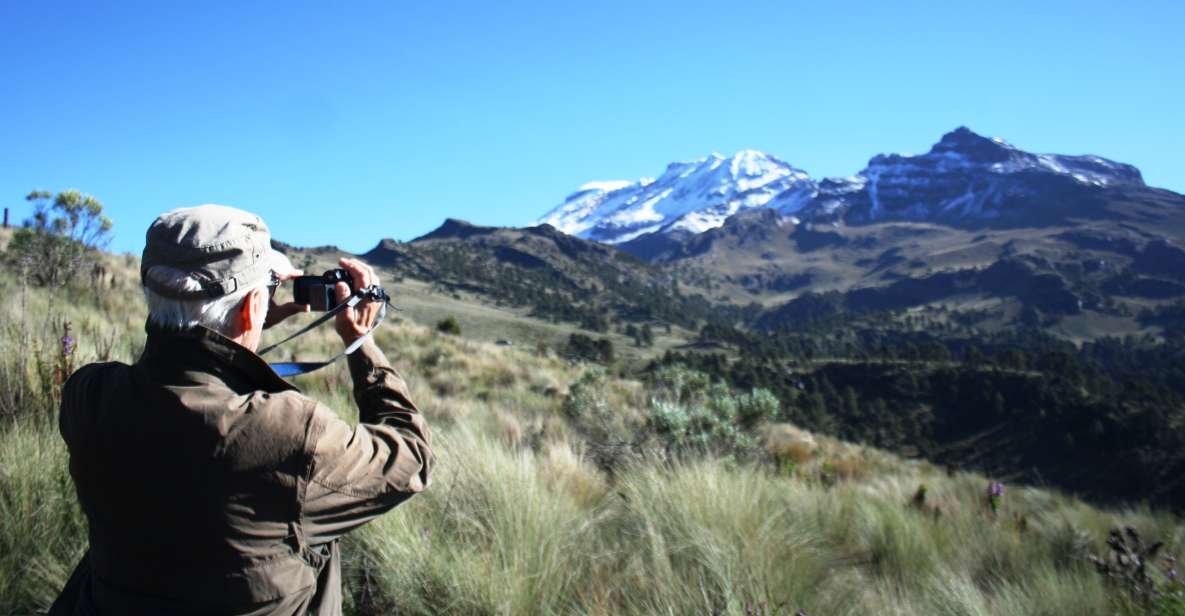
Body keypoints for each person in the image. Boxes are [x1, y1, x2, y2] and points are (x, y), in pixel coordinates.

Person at [49, 205, 433, 615]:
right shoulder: (291, 432)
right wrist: (362, 343)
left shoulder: (89, 397)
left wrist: (239, 325)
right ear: (252, 306)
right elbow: (411, 456)